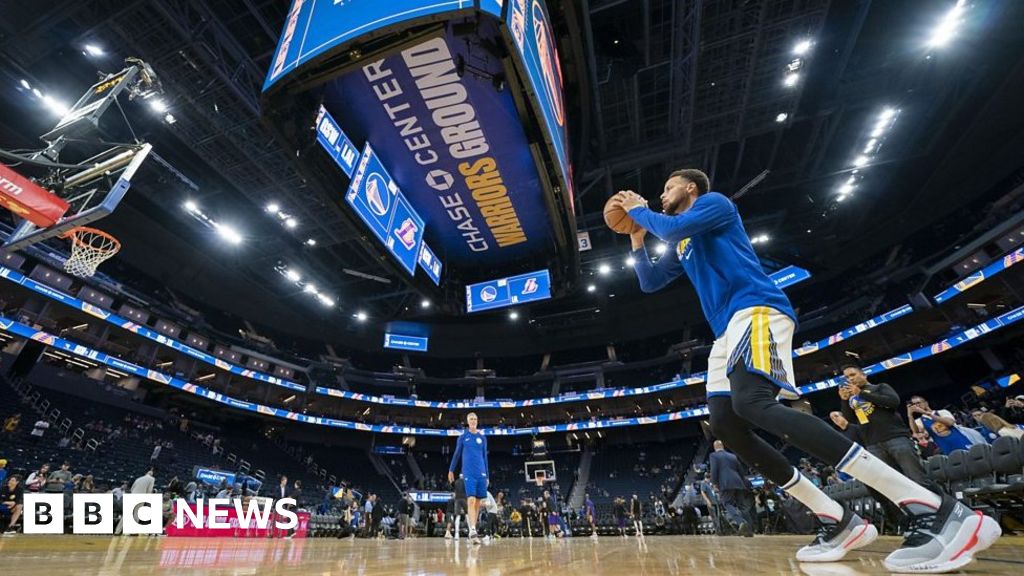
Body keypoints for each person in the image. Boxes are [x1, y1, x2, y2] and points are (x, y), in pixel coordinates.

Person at [616, 170, 1000, 571]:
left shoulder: (714, 205)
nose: (661, 195)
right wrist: (637, 238)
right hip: (725, 330)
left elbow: (676, 226)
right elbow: (649, 282)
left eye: (668, 188)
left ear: (690, 188)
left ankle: (940, 511)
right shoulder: (683, 242)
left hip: (756, 309)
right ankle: (836, 518)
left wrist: (640, 210)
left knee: (753, 403)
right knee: (726, 426)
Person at [840, 365, 929, 485]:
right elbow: (850, 420)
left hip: (895, 438)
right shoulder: (852, 399)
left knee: (917, 478)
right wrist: (845, 400)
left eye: (852, 375)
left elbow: (893, 402)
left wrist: (862, 393)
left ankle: (942, 502)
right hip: (873, 444)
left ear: (863, 375)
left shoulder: (880, 387)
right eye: (847, 377)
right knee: (896, 484)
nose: (850, 379)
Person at [448, 412, 489, 545]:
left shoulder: (482, 438)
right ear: (467, 421)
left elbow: (485, 457)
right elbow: (456, 454)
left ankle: (473, 529)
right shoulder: (462, 437)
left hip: (481, 473)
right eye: (471, 419)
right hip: (468, 473)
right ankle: (472, 531)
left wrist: (487, 475)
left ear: (477, 421)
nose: (473, 421)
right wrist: (451, 470)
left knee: (478, 503)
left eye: (475, 419)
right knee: (470, 500)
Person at [908, 396, 986, 454]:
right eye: (914, 404)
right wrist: (910, 415)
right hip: (946, 449)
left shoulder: (942, 412)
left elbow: (950, 423)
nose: (917, 406)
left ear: (926, 403)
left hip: (962, 442)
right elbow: (916, 431)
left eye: (918, 403)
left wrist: (928, 413)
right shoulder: (919, 420)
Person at [709, 440, 754, 537]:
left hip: (725, 483)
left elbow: (714, 470)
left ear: (715, 447)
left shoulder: (713, 456)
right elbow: (741, 470)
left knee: (727, 503)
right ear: (723, 446)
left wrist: (714, 483)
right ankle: (749, 530)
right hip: (738, 482)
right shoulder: (732, 456)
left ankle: (741, 522)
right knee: (742, 506)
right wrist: (742, 482)